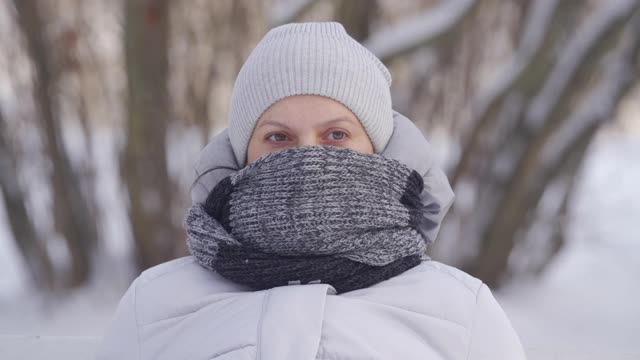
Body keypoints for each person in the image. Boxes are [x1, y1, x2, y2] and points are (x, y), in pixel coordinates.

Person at [97, 22, 526, 360]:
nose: (306, 158)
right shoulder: (153, 303)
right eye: (278, 137)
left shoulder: (462, 309)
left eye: (336, 135)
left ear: (376, 149)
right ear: (242, 153)